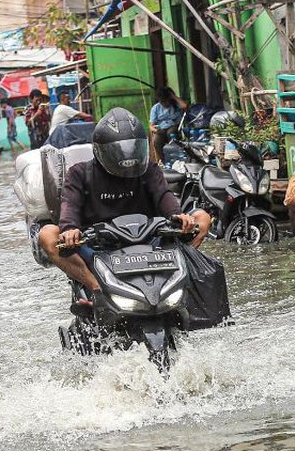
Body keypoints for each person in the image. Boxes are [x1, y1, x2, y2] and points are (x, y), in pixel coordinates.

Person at [37, 108, 211, 304]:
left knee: (202, 218)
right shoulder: (79, 173)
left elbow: (164, 195)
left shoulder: (149, 170)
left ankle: (179, 278)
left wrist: (179, 216)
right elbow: (70, 205)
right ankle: (96, 289)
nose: (127, 158)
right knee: (47, 234)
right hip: (98, 247)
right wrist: (70, 230)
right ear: (100, 150)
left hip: (149, 243)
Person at [149, 86, 188, 163]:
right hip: (161, 128)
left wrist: (173, 97)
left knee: (171, 134)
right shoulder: (155, 108)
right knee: (156, 141)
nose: (164, 103)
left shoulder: (175, 105)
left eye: (166, 101)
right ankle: (164, 161)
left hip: (173, 126)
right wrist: (156, 130)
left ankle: (175, 159)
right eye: (162, 102)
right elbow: (151, 125)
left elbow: (185, 106)